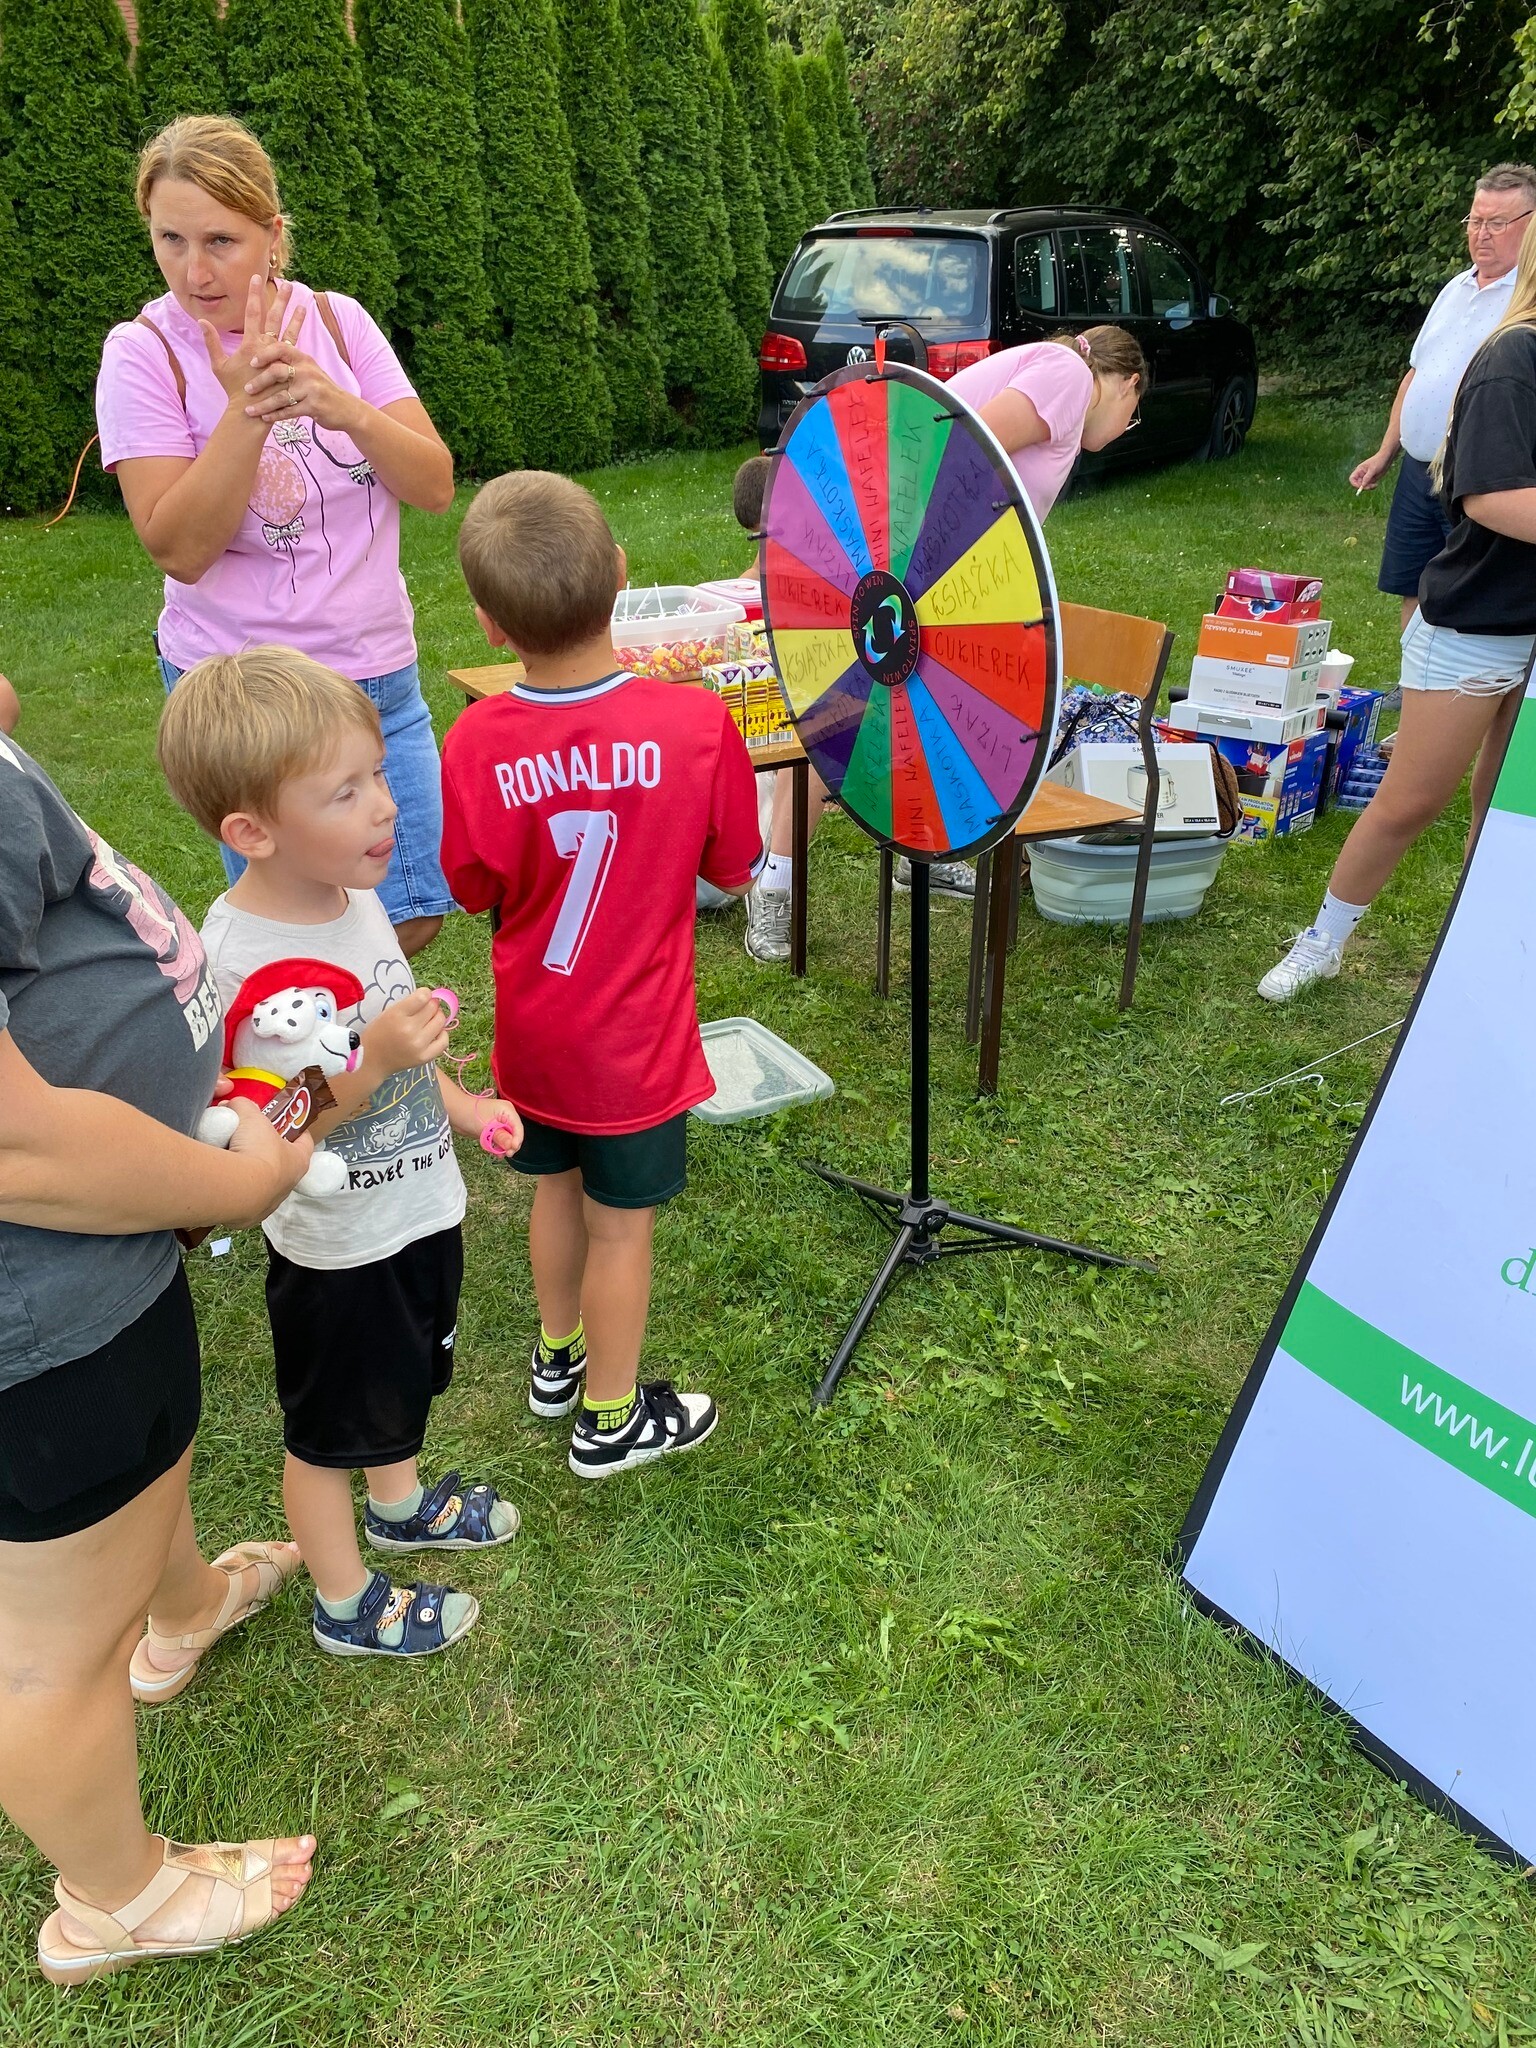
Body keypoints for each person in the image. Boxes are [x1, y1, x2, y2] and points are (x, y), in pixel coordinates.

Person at [0, 727, 317, 1983]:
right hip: (39, 1315)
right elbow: (14, 1146)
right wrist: (237, 1184)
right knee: (53, 1651)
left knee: (138, 1468)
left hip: (96, 1258)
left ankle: (182, 1608)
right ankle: (115, 1898)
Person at [157, 648, 524, 1657]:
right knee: (327, 1435)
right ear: (252, 832)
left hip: (414, 1208)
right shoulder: (238, 960)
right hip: (337, 1248)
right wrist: (375, 1062)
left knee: (397, 1391)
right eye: (346, 790)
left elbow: (397, 1037)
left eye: (378, 774)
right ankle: (344, 1600)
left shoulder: (354, 897)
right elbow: (263, 1128)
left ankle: (399, 1502)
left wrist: (461, 1106)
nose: (386, 806)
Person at [442, 472, 764, 1477]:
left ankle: (557, 1359)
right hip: (634, 1048)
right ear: (621, 574)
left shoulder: (476, 738)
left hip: (537, 1034)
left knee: (554, 1191)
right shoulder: (695, 724)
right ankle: (611, 1419)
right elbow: (736, 866)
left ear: (491, 624)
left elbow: (469, 882)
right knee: (621, 1230)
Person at [95, 115, 457, 960]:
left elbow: (433, 484)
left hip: (373, 672)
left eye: (220, 241)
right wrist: (244, 410)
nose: (195, 271)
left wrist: (340, 404)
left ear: (272, 234)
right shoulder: (143, 354)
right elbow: (179, 548)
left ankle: (356, 1033)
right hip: (249, 696)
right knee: (300, 921)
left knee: (411, 911)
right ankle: (321, 1043)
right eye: (170, 239)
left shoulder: (338, 321)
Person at [1259, 218, 1536, 1001]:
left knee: (1510, 803)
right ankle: (1323, 941)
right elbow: (1488, 497)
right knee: (1411, 800)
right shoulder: (1515, 357)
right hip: (1477, 623)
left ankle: (1486, 941)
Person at [1349, 165, 1535, 631]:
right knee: (1413, 582)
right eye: (1475, 221)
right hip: (1417, 471)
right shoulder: (1455, 288)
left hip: (1475, 476)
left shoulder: (1526, 303)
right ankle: (1414, 669)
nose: (1481, 234)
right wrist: (1386, 452)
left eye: (1497, 223)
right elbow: (1417, 373)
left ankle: (1460, 670)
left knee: (1467, 589)